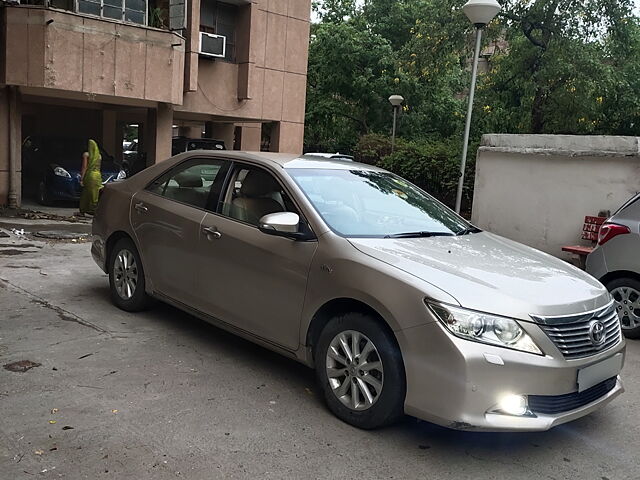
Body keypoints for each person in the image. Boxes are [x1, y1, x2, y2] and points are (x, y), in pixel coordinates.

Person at [79, 139, 103, 215]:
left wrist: (82, 179)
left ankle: (83, 210)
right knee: (94, 194)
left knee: (86, 193)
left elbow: (84, 167)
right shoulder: (99, 156)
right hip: (97, 176)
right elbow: (99, 167)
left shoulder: (86, 154)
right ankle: (94, 210)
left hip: (90, 175)